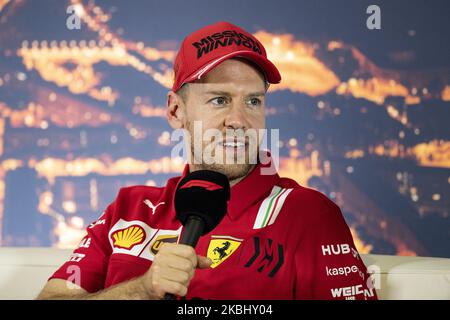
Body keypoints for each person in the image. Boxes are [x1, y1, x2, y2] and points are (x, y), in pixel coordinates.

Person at [37, 21, 377, 300]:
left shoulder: (307, 214)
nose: (239, 120)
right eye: (219, 100)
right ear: (175, 111)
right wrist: (141, 290)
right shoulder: (128, 209)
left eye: (254, 102)